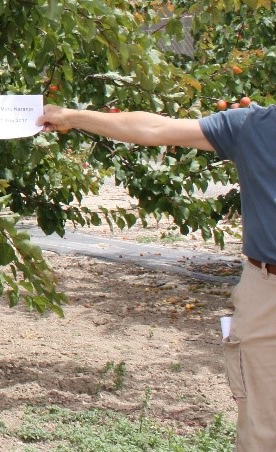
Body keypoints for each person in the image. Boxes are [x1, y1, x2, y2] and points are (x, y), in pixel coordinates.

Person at [37, 103, 274, 451]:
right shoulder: (253, 125)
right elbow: (154, 129)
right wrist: (72, 117)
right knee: (263, 430)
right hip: (266, 292)